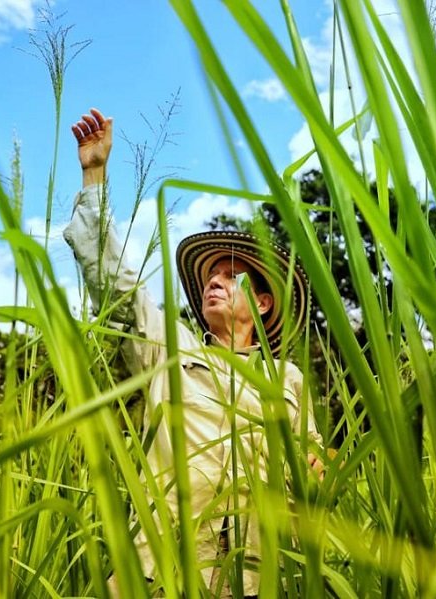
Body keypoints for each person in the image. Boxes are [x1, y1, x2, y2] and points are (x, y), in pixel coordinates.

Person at [63, 108, 324, 596]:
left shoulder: (287, 379)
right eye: (210, 276)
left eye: (231, 275)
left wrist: (316, 472)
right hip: (161, 571)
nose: (214, 282)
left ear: (263, 303)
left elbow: (311, 471)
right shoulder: (167, 344)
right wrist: (95, 176)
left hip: (257, 577)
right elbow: (113, 283)